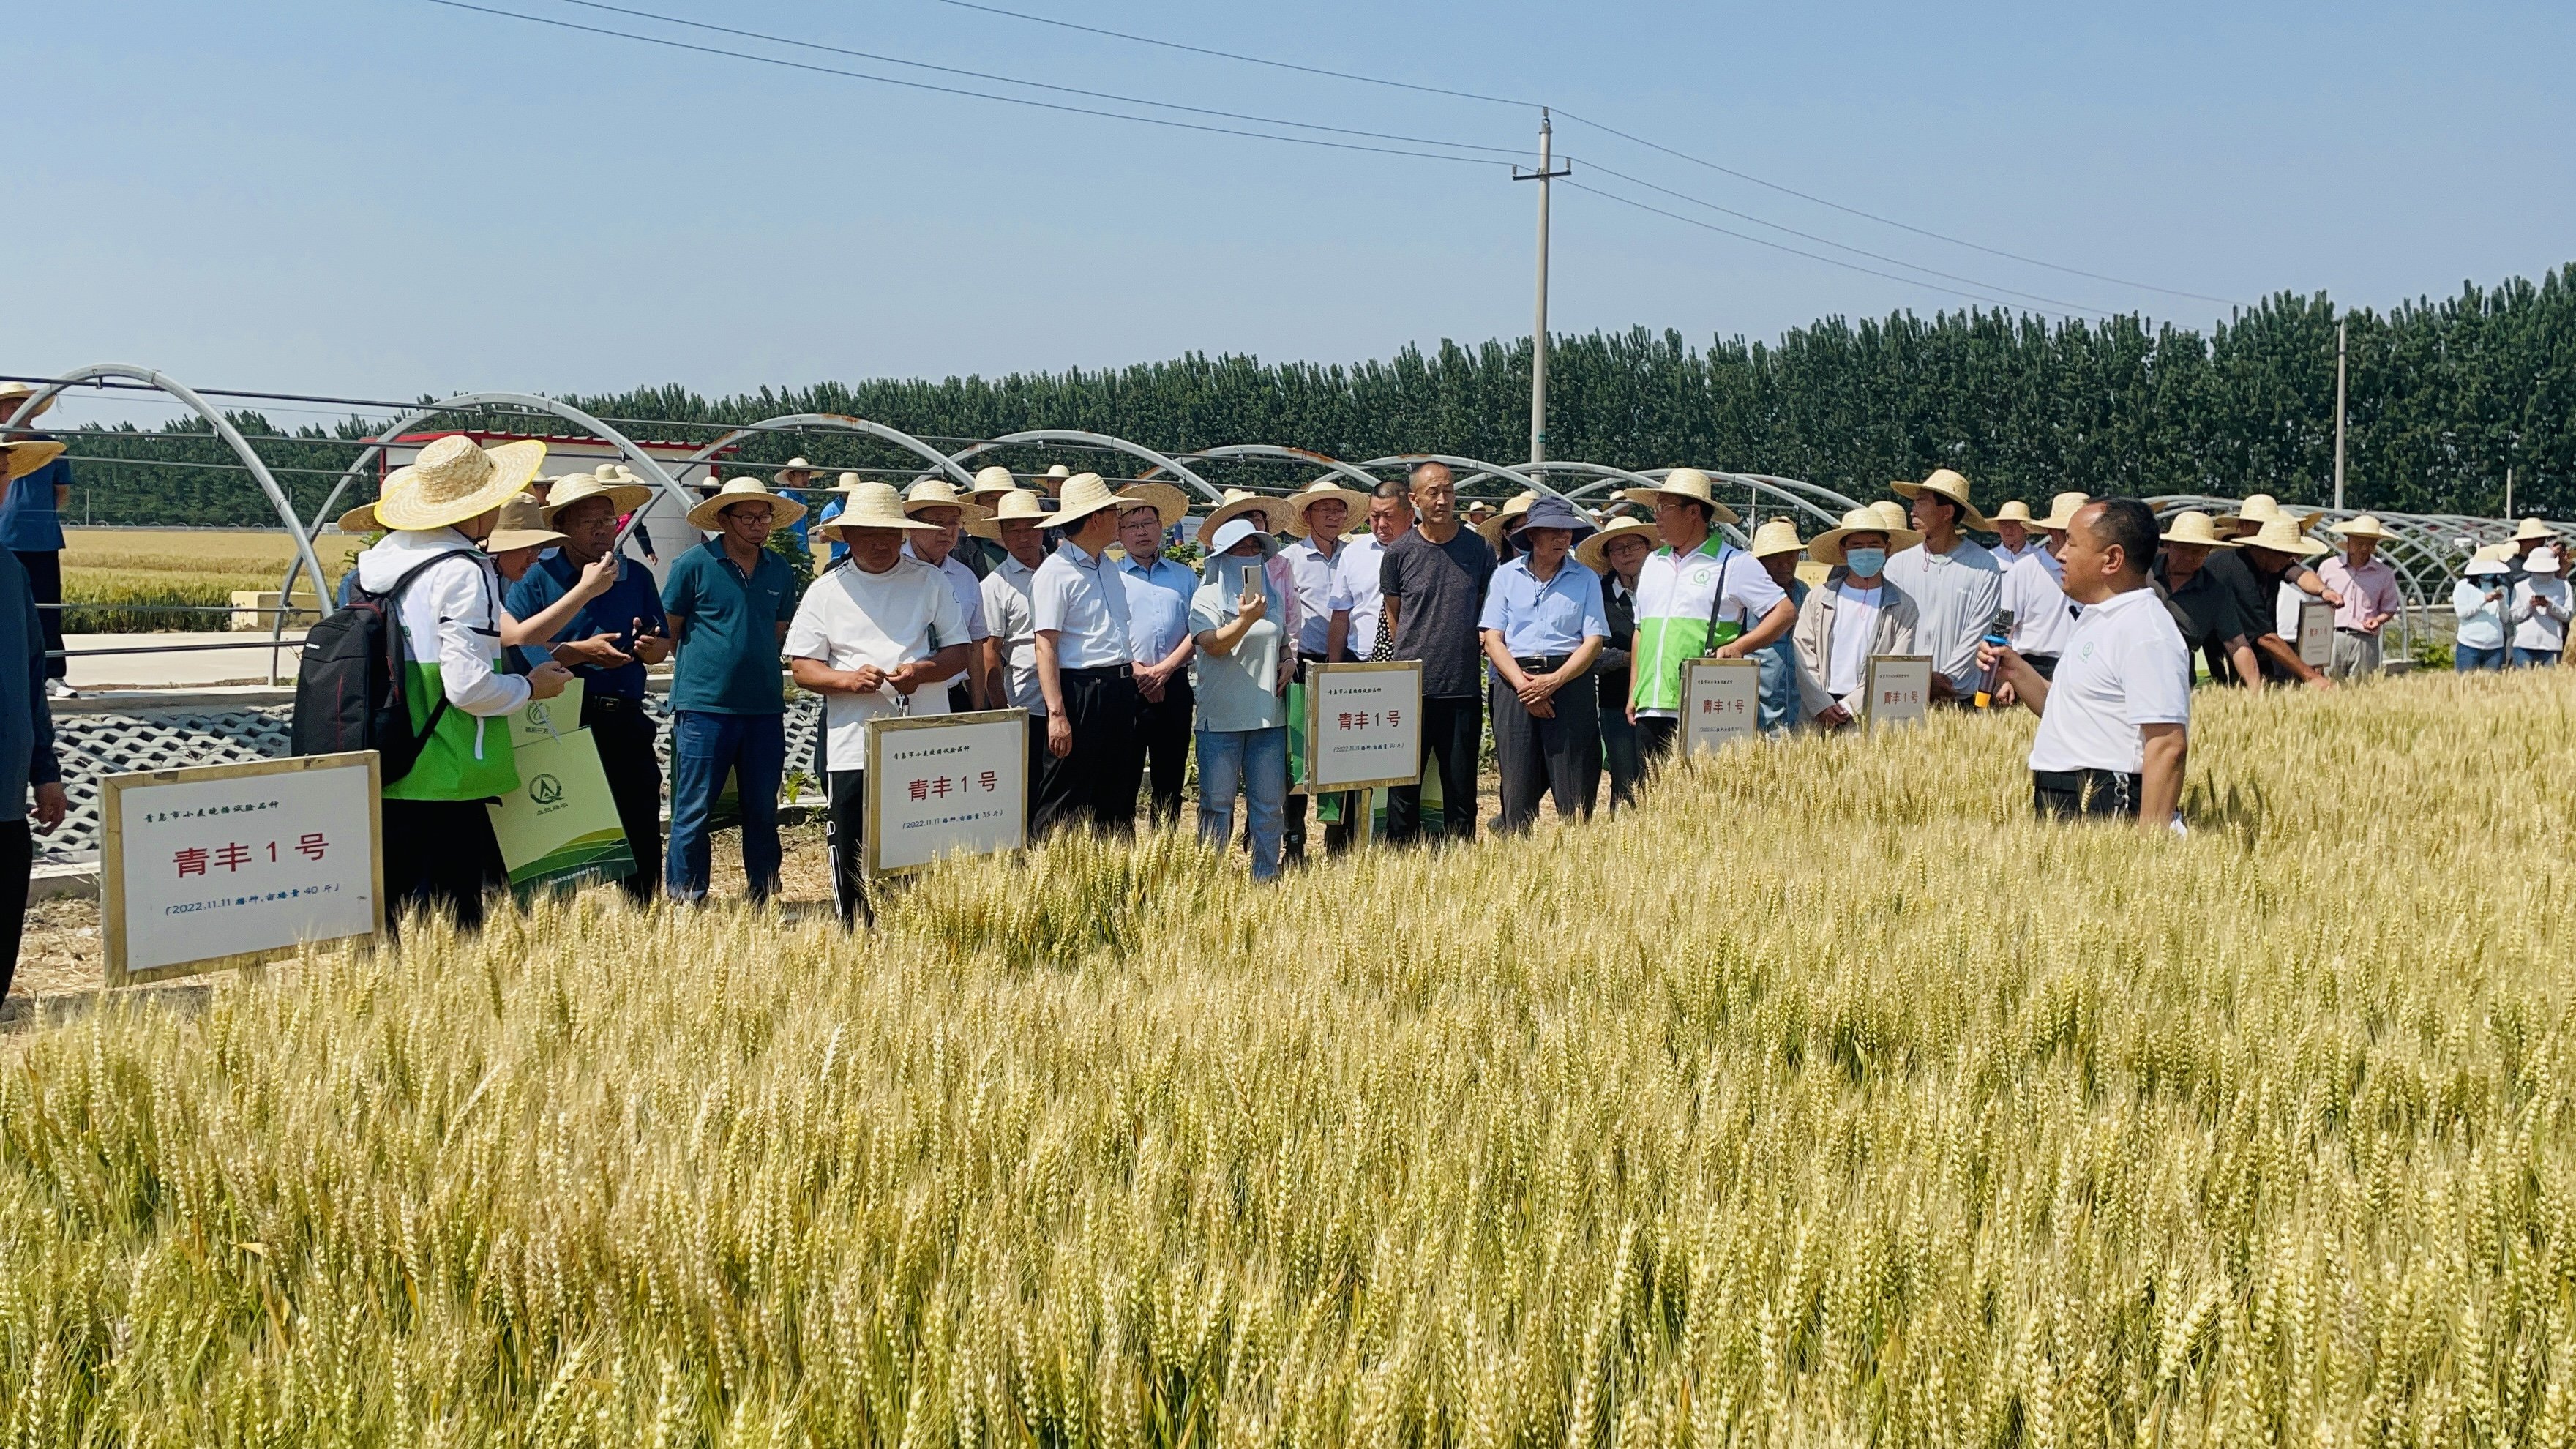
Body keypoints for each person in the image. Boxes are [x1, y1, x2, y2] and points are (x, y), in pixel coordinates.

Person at [354, 436, 573, 927]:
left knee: (398, 930)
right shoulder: (460, 571)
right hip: (448, 770)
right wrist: (531, 688)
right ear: (475, 510)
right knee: (453, 931)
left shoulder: (379, 566)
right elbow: (469, 688)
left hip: (387, 760)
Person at [785, 483, 970, 927]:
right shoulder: (827, 591)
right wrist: (846, 680)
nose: (881, 542)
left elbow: (959, 652)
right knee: (851, 836)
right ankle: (855, 926)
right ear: (847, 534)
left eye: (889, 533)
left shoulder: (929, 581)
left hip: (921, 734)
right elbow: (803, 667)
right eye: (868, 532)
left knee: (924, 833)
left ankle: (923, 923)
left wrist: (921, 672)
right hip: (853, 738)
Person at [506, 468, 673, 903]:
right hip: (561, 719)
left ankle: (643, 911)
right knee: (561, 822)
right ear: (560, 526)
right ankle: (555, 916)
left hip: (623, 713)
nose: (603, 528)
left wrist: (649, 647)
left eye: (608, 518)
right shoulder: (535, 576)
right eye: (589, 521)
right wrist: (581, 652)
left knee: (638, 815)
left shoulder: (634, 575)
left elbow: (661, 649)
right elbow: (518, 649)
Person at [1977, 498, 2190, 828]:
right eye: (2055, 535)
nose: (2059, 551)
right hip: (2063, 790)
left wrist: (2151, 842)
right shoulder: (2089, 611)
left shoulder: (2145, 631)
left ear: (2112, 559)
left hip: (2106, 796)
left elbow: (2167, 743)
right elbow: (2065, 707)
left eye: (2070, 542)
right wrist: (2011, 666)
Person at [660, 478, 802, 904]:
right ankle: (687, 897)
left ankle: (763, 891)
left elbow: (778, 631)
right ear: (724, 520)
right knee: (693, 808)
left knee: (762, 809)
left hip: (763, 708)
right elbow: (670, 629)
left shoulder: (779, 569)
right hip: (704, 706)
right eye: (748, 517)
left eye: (765, 516)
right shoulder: (693, 565)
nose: (759, 525)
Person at [1622, 468, 1794, 763]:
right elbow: (1641, 630)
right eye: (1655, 508)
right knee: (1654, 796)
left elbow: (1785, 612)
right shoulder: (1653, 563)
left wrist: (1741, 647)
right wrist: (1634, 691)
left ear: (1693, 513)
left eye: (1665, 508)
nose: (1657, 516)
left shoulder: (1734, 563)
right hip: (1651, 705)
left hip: (1705, 701)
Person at [1378, 462, 1497, 843]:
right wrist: (1411, 653)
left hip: (1461, 686)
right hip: (1412, 690)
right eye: (1433, 492)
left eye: (1448, 490)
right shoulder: (1399, 553)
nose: (1442, 500)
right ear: (1414, 499)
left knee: (1461, 789)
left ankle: (1461, 863)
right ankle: (1401, 861)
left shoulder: (1478, 549)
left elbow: (1485, 606)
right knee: (1403, 788)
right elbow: (1394, 611)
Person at [1033, 473, 1156, 836]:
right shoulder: (1055, 572)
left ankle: (1110, 873)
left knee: (1116, 789)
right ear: (1095, 518)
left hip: (1118, 688)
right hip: (1080, 690)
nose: (1120, 518)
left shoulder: (1107, 566)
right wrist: (1057, 713)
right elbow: (1045, 645)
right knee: (1065, 792)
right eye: (1114, 511)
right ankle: (1051, 874)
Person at [1478, 497, 1609, 829]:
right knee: (1518, 780)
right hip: (1514, 680)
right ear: (1532, 536)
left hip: (1569, 680)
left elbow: (1593, 640)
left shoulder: (1586, 578)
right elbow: (1493, 638)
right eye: (1552, 531)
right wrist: (1525, 687)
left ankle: (1577, 860)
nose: (1562, 538)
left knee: (1574, 783)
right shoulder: (1506, 576)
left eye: (1566, 532)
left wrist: (1555, 680)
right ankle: (1516, 856)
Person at [1188, 514, 1294, 879]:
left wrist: (1288, 659)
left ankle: (1266, 875)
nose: (1250, 553)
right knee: (1217, 805)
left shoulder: (1271, 596)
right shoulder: (1205, 597)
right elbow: (1212, 645)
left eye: (1256, 547)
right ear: (1221, 555)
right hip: (1220, 720)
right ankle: (1211, 879)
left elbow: (1280, 641)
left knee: (1269, 806)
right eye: (1241, 547)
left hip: (1268, 716)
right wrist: (1246, 620)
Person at [1275, 479, 1370, 861]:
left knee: (1342, 750)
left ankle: (1337, 834)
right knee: (1298, 755)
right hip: (1304, 664)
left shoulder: (1355, 556)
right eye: (1324, 508)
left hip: (1346, 665)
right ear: (1307, 515)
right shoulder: (1288, 561)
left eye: (1339, 509)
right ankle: (1294, 834)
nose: (1333, 515)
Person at [0, 544, 65, 1007]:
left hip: (6, 799)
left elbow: (31, 672)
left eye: (3, 469)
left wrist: (45, 771)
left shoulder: (9, 569)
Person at [1791, 506, 1926, 728]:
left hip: (1868, 713)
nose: (1865, 551)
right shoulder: (1819, 597)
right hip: (1818, 711)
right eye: (1857, 546)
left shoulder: (1904, 606)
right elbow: (1803, 653)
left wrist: (1850, 706)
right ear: (1844, 551)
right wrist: (1822, 705)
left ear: (1887, 549)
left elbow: (1893, 667)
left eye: (1873, 545)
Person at [1117, 483, 1199, 828]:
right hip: (1126, 687)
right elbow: (1108, 630)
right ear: (1119, 534)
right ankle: (1121, 853)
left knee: (1170, 777)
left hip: (1175, 684)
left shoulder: (1185, 577)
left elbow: (1199, 629)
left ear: (1161, 527)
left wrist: (1165, 670)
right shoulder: (1111, 576)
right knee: (1123, 776)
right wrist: (1140, 672)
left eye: (1148, 523)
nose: (1141, 532)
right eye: (1132, 526)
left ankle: (1164, 852)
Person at [1882, 468, 2002, 698]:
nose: (1913, 510)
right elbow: (1891, 630)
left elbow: (1978, 632)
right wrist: (1916, 679)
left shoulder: (1984, 566)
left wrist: (1945, 680)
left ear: (1947, 512)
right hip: (1905, 692)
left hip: (1959, 694)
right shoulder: (1898, 565)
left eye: (1922, 503)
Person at [974, 487, 1052, 823]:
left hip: (1073, 696)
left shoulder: (1061, 572)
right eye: (1014, 530)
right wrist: (1002, 709)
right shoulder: (995, 585)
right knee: (1031, 785)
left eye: (1030, 528)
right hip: (1028, 703)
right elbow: (991, 651)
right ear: (1002, 536)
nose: (1024, 537)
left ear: (1043, 528)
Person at [1575, 517, 1654, 809]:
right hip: (1616, 701)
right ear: (1608, 557)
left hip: (1661, 699)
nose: (1626, 553)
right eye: (1617, 549)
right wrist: (1628, 658)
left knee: (1658, 775)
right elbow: (1590, 652)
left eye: (1633, 545)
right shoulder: (1598, 592)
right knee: (1625, 778)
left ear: (1647, 548)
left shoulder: (1664, 589)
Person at [899, 478, 995, 711]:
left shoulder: (966, 578)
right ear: (912, 525)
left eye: (953, 522)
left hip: (953, 696)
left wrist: (978, 708)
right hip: (901, 697)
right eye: (936, 522)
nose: (947, 531)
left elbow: (974, 648)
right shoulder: (892, 572)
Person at [2149, 512, 2263, 689]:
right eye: (2183, 549)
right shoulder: (2140, 571)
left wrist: (2256, 690)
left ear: (2208, 552)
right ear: (2168, 545)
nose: (2188, 557)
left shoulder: (2216, 592)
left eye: (2196, 551)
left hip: (2177, 682)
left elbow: (2237, 644)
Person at [0, 410, 70, 697]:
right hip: (4, 538)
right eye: (11, 405)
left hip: (42, 539)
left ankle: (53, 675)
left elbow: (61, 492)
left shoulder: (51, 448)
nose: (17, 411)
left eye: (23, 404)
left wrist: (39, 518)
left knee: (48, 610)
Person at [2236, 517, 2339, 687]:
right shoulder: (2241, 572)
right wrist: (2310, 676)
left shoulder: (2275, 565)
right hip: (2245, 652)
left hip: (2273, 650)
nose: (2291, 559)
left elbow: (2300, 574)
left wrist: (2324, 590)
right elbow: (2264, 637)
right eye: (2288, 554)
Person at [1996, 492, 2087, 679]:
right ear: (2052, 532)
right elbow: (2002, 626)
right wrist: (2004, 676)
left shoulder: (2094, 572)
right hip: (2033, 669)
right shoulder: (2023, 571)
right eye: (2069, 533)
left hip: (2082, 668)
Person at [1326, 481, 1412, 662]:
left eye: (1389, 516)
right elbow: (1340, 616)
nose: (1381, 525)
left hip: (1411, 660)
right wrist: (1333, 668)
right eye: (1374, 516)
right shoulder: (1353, 553)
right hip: (1359, 659)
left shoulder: (1424, 552)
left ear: (1410, 515)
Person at [1746, 520, 1811, 734]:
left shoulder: (1804, 592)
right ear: (1760, 561)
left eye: (1791, 555)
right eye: (1776, 557)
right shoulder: (1746, 597)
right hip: (1758, 707)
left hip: (1797, 704)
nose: (1785, 563)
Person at [2318, 516, 2403, 678]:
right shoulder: (2328, 567)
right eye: (2360, 543)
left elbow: (2389, 607)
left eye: (2370, 544)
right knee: (2328, 689)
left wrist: (2378, 620)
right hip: (2332, 636)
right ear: (2349, 542)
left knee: (2361, 691)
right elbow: (2316, 603)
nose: (2365, 549)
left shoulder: (2384, 573)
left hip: (2365, 639)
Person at [2453, 550, 2512, 671]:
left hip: (2495, 646)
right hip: (2469, 644)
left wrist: (2501, 601)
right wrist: (2484, 599)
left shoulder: (2502, 588)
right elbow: (2462, 613)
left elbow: (2505, 618)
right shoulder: (2463, 586)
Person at [2512, 547, 2569, 667]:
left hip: (2552, 644)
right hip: (2524, 644)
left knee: (2549, 684)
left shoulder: (2564, 586)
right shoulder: (2520, 587)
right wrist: (2529, 606)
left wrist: (2550, 605)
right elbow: (2514, 617)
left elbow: (2568, 616)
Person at [1989, 500, 2041, 567]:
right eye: (2003, 524)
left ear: (2025, 528)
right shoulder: (1989, 558)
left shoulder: (2040, 557)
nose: (2008, 529)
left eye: (2014, 524)